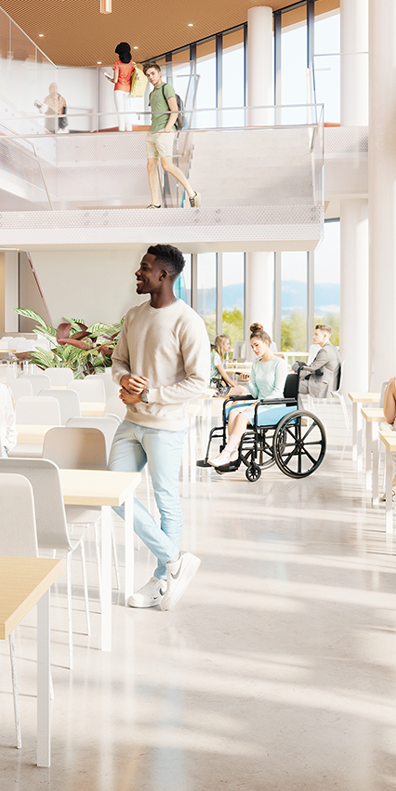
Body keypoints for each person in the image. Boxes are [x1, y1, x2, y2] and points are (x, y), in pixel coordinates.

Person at [110, 245, 208, 611]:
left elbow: (199, 381)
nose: (139, 273)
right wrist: (125, 382)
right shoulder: (134, 316)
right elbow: (119, 361)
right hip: (131, 423)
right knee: (114, 490)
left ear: (163, 275)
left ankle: (162, 580)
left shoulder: (188, 321)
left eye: (145, 269)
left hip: (166, 426)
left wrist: (148, 394)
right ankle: (175, 559)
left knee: (166, 500)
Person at [213, 324, 291, 474]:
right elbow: (255, 393)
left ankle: (225, 453)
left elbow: (277, 391)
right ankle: (233, 453)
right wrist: (248, 382)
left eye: (257, 345)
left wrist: (257, 403)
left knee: (242, 417)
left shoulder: (279, 363)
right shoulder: (256, 364)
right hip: (260, 403)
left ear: (266, 343)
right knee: (233, 412)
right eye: (252, 346)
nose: (254, 349)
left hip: (274, 404)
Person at [143, 62, 200, 208]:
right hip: (153, 132)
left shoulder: (166, 88)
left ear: (159, 73)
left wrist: (167, 129)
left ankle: (192, 193)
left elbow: (174, 110)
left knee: (166, 165)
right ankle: (155, 203)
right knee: (151, 166)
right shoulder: (152, 93)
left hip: (164, 131)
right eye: (148, 75)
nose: (150, 77)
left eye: (152, 73)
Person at [297, 324, 341, 397]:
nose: (313, 337)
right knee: (292, 382)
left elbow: (312, 368)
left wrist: (298, 372)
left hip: (321, 386)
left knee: (290, 384)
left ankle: (293, 407)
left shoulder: (325, 351)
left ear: (324, 336)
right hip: (325, 382)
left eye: (316, 334)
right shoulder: (331, 348)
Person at [103, 41, 137, 131]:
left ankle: (121, 130)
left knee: (120, 111)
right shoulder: (132, 63)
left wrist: (108, 78)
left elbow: (115, 80)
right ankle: (129, 129)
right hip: (128, 89)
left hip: (119, 89)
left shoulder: (117, 63)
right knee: (127, 111)